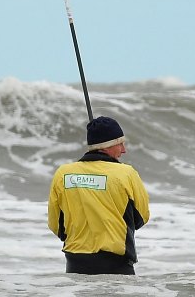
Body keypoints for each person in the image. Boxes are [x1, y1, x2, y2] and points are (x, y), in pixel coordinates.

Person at [48, 116, 150, 275]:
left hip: (75, 266)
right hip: (116, 267)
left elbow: (56, 225)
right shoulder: (126, 173)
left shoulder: (63, 173)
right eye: (120, 143)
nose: (123, 150)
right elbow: (141, 217)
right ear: (106, 146)